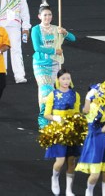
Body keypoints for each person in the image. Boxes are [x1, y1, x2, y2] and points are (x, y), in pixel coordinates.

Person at [32, 0, 77, 128]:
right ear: (39, 16)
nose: (47, 17)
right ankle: (43, 121)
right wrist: (54, 50)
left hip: (54, 64)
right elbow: (37, 48)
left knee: (53, 91)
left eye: (49, 15)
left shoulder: (56, 28)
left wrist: (65, 33)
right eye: (45, 15)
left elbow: (73, 39)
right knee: (45, 91)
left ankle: (52, 117)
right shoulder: (36, 29)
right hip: (41, 64)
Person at [44, 68, 82, 196]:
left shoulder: (75, 94)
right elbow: (46, 114)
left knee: (71, 162)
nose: (66, 81)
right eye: (63, 78)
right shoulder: (52, 95)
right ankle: (54, 178)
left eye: (68, 78)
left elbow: (77, 111)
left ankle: (68, 190)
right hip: (59, 131)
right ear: (58, 80)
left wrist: (77, 119)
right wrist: (55, 118)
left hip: (71, 131)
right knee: (60, 161)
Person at [0, 0, 31, 83]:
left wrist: (25, 28)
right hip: (0, 26)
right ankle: (1, 72)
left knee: (16, 50)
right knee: (1, 49)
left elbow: (25, 12)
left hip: (14, 26)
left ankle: (19, 75)